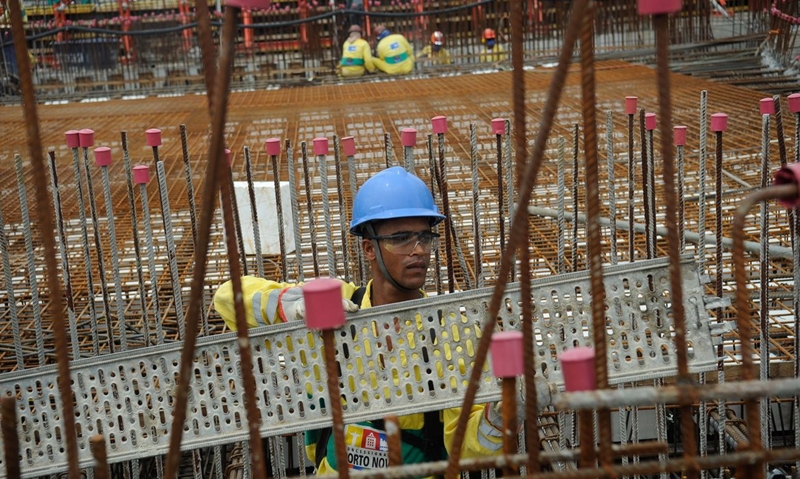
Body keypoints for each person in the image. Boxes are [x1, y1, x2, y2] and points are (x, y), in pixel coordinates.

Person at [214, 167, 551, 476]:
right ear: (368, 249)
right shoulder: (335, 308)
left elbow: (464, 446)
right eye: (401, 238)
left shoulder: (451, 330)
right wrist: (290, 306)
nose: (418, 250)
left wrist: (499, 417)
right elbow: (227, 298)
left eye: (425, 237)